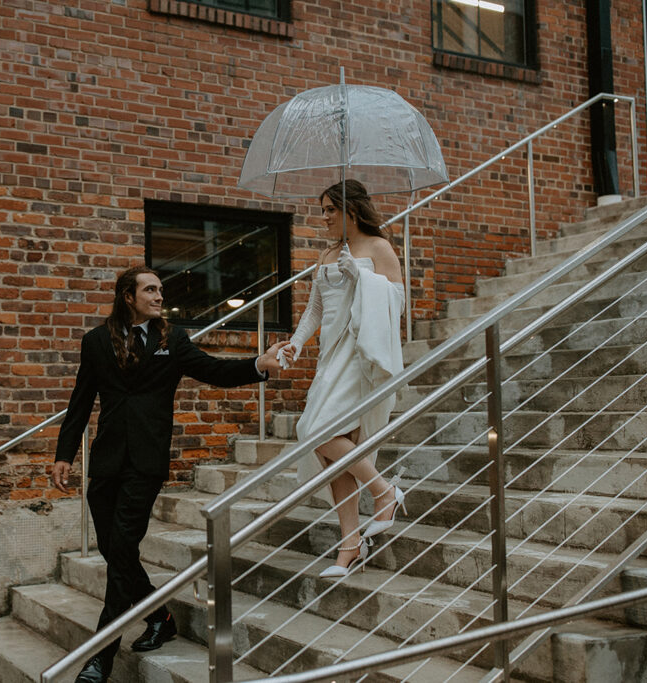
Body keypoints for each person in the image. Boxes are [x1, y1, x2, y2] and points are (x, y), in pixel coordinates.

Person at [52, 265, 289, 683]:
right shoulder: (95, 342)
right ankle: (161, 615)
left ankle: (99, 659)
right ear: (129, 296)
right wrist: (64, 454)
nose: (160, 296)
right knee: (116, 552)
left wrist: (258, 365)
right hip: (106, 461)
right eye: (150, 290)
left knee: (122, 546)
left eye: (161, 290)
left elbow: (214, 371)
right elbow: (80, 400)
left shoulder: (172, 340)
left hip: (145, 462)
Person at [279, 179, 406, 579]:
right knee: (333, 449)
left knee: (317, 431)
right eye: (323, 210)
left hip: (359, 354)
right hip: (329, 355)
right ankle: (349, 543)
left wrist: (363, 278)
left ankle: (384, 491)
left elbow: (399, 301)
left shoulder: (378, 248)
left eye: (330, 210)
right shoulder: (327, 253)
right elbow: (315, 309)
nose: (324, 218)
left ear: (351, 210)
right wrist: (297, 344)